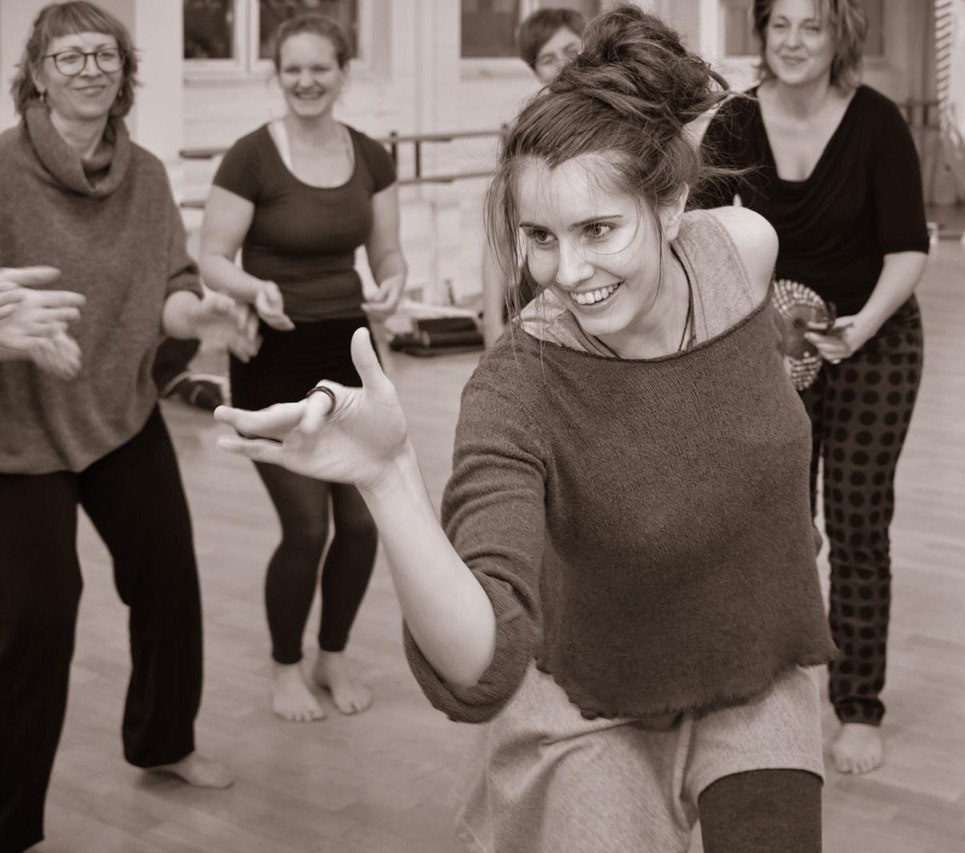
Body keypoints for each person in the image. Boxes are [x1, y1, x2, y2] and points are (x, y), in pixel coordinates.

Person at [216, 6, 837, 850]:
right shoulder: (518, 386)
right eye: (540, 237)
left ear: (671, 204)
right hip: (593, 696)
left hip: (755, 660)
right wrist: (388, 479)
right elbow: (481, 658)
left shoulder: (742, 251)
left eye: (599, 229)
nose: (567, 271)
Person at [0, 3, 255, 849]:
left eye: (104, 55)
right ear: (38, 76)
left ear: (124, 72)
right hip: (17, 434)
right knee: (39, 615)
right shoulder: (1, 170)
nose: (89, 69)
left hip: (118, 410)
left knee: (168, 578)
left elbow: (170, 286)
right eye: (68, 57)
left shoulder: (144, 175)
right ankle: (9, 822)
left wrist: (200, 313)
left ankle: (163, 739)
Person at [695, 0, 929, 774]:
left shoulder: (877, 123)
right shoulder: (735, 121)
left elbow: (908, 248)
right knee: (778, 524)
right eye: (781, 25)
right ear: (762, 34)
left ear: (839, 38)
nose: (794, 41)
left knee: (857, 525)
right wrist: (747, 321)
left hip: (874, 338)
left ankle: (858, 706)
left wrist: (859, 327)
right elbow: (696, 234)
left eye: (813, 26)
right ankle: (773, 687)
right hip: (773, 349)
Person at [199, 13, 407, 722]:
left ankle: (333, 654)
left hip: (346, 351)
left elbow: (387, 252)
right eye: (293, 69)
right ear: (277, 75)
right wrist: (251, 287)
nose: (306, 81)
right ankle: (285, 666)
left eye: (320, 68)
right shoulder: (251, 157)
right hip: (274, 356)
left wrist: (394, 279)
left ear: (344, 73)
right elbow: (212, 258)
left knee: (362, 524)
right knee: (307, 527)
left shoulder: (371, 156)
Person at [480, 8, 586, 348]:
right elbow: (499, 237)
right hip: (543, 294)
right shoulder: (528, 132)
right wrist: (491, 323)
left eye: (571, 50)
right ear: (535, 70)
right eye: (548, 59)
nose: (564, 65)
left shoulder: (622, 114)